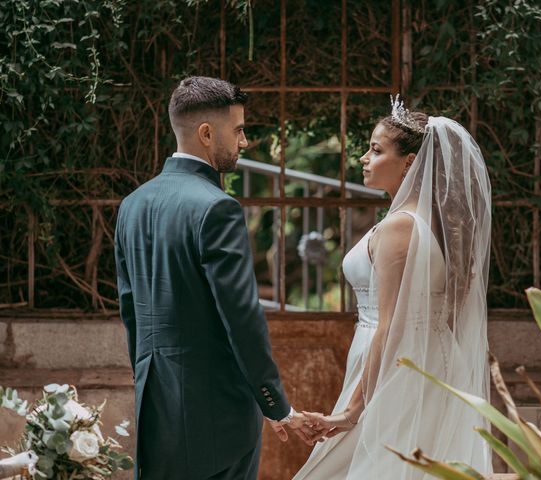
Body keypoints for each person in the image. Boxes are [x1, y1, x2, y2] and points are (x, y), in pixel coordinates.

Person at [115, 76, 315, 480]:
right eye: (238, 130)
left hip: (154, 406)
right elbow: (241, 318)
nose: (244, 142)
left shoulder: (131, 206)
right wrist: (274, 403)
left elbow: (131, 313)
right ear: (206, 133)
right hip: (217, 416)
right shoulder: (217, 208)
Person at [294, 97, 493, 478]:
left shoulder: (399, 227)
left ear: (409, 163)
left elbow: (391, 324)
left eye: (375, 149)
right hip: (422, 357)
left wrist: (352, 411)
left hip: (397, 366)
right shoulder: (428, 223)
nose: (364, 159)